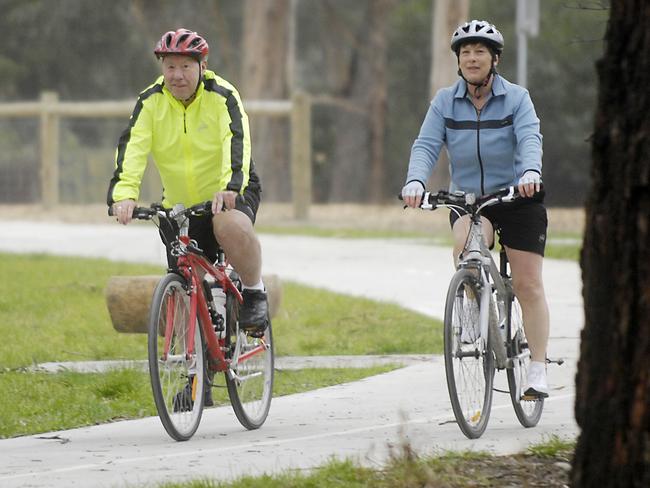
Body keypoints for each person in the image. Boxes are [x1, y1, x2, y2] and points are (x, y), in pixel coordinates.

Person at [401, 20, 550, 398]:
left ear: (494, 59)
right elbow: (426, 145)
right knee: (466, 248)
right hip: (470, 200)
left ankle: (536, 368)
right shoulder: (445, 102)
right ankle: (470, 310)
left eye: (479, 51)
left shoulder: (517, 98)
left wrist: (531, 172)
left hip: (517, 198)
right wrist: (416, 181)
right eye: (465, 52)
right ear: (458, 60)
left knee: (528, 284)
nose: (471, 58)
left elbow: (530, 138)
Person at [107, 28, 268, 337]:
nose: (177, 75)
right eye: (170, 66)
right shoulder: (150, 102)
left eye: (185, 66)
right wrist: (124, 195)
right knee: (181, 287)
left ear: (202, 66)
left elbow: (236, 139)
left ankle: (254, 290)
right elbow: (133, 148)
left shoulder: (222, 95)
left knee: (229, 226)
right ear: (162, 68)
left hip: (232, 189)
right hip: (180, 205)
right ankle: (191, 376)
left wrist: (231, 186)